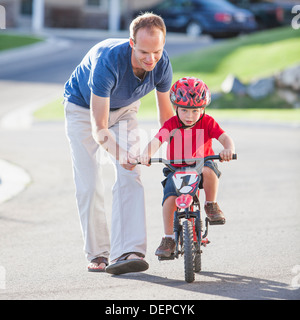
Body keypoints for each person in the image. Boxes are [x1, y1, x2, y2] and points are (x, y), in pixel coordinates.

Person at [63, 12, 174, 274]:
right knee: (89, 184)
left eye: (157, 51)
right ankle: (98, 253)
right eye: (144, 52)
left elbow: (167, 120)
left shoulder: (161, 63)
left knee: (130, 174)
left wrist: (151, 151)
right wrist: (121, 153)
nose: (151, 59)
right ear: (132, 43)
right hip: (83, 111)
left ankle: (130, 250)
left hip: (124, 109)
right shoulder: (108, 61)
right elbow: (99, 128)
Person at [138, 77, 235, 258]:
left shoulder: (207, 122)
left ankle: (211, 204)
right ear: (176, 108)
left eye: (195, 111)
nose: (189, 116)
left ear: (203, 109)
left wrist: (228, 149)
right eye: (184, 110)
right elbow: (156, 141)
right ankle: (168, 238)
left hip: (200, 164)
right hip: (176, 169)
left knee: (209, 170)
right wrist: (146, 154)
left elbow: (224, 137)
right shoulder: (171, 124)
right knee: (169, 198)